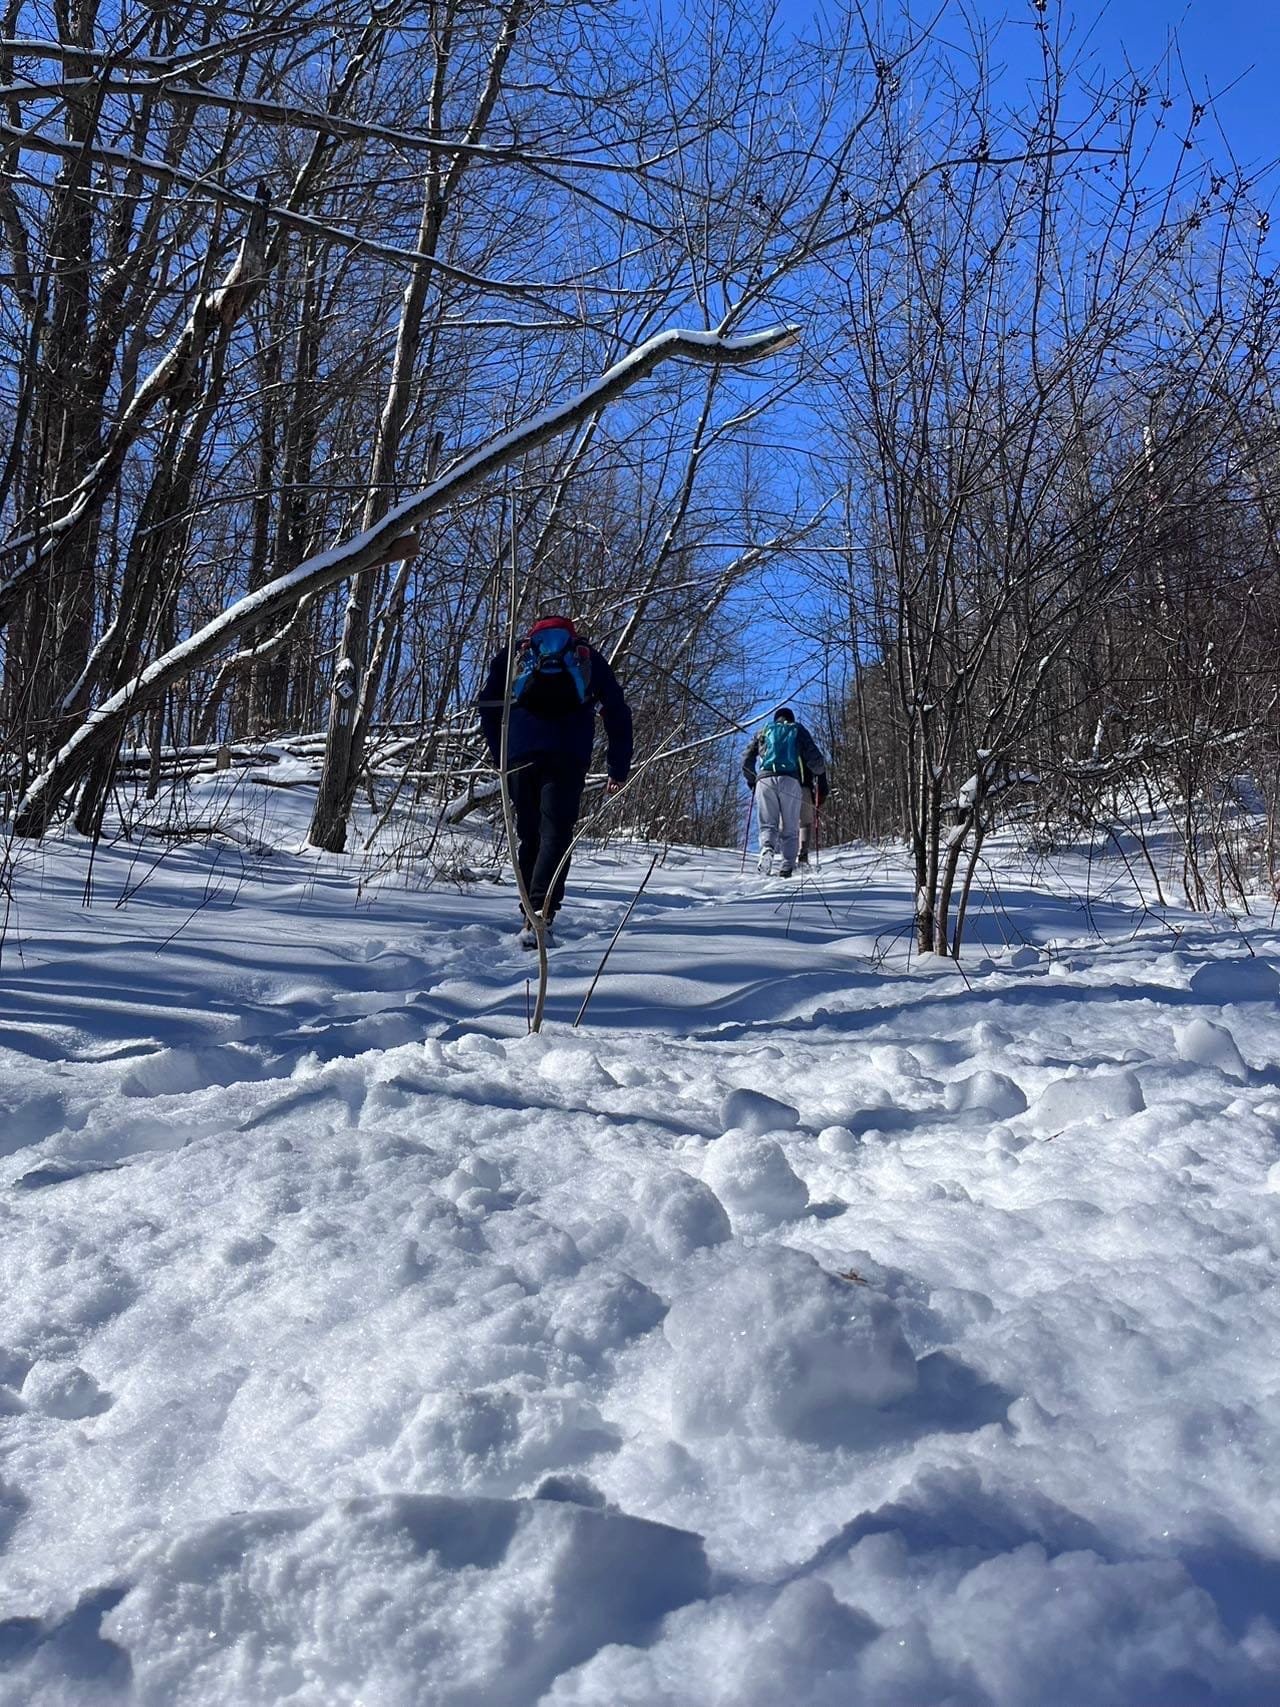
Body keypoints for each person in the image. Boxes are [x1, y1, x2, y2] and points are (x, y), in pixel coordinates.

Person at [478, 612, 632, 945]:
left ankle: (531, 914)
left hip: (520, 754)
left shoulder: (517, 653)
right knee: (556, 835)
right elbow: (617, 712)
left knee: (530, 835)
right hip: (567, 754)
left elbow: (487, 704)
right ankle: (540, 915)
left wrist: (500, 753)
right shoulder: (585, 657)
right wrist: (617, 768)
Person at [741, 706, 827, 878]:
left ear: (776, 719)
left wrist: (752, 780)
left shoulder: (764, 730)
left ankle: (767, 848)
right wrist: (820, 776)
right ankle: (787, 866)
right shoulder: (797, 729)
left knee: (768, 823)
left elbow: (746, 760)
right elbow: (816, 760)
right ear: (791, 719)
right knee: (790, 826)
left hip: (765, 780)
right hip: (790, 780)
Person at [797, 771, 830, 865]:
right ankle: (803, 855)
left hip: (780, 786)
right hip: (803, 786)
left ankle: (786, 861)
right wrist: (823, 791)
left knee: (786, 826)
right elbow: (817, 764)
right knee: (805, 823)